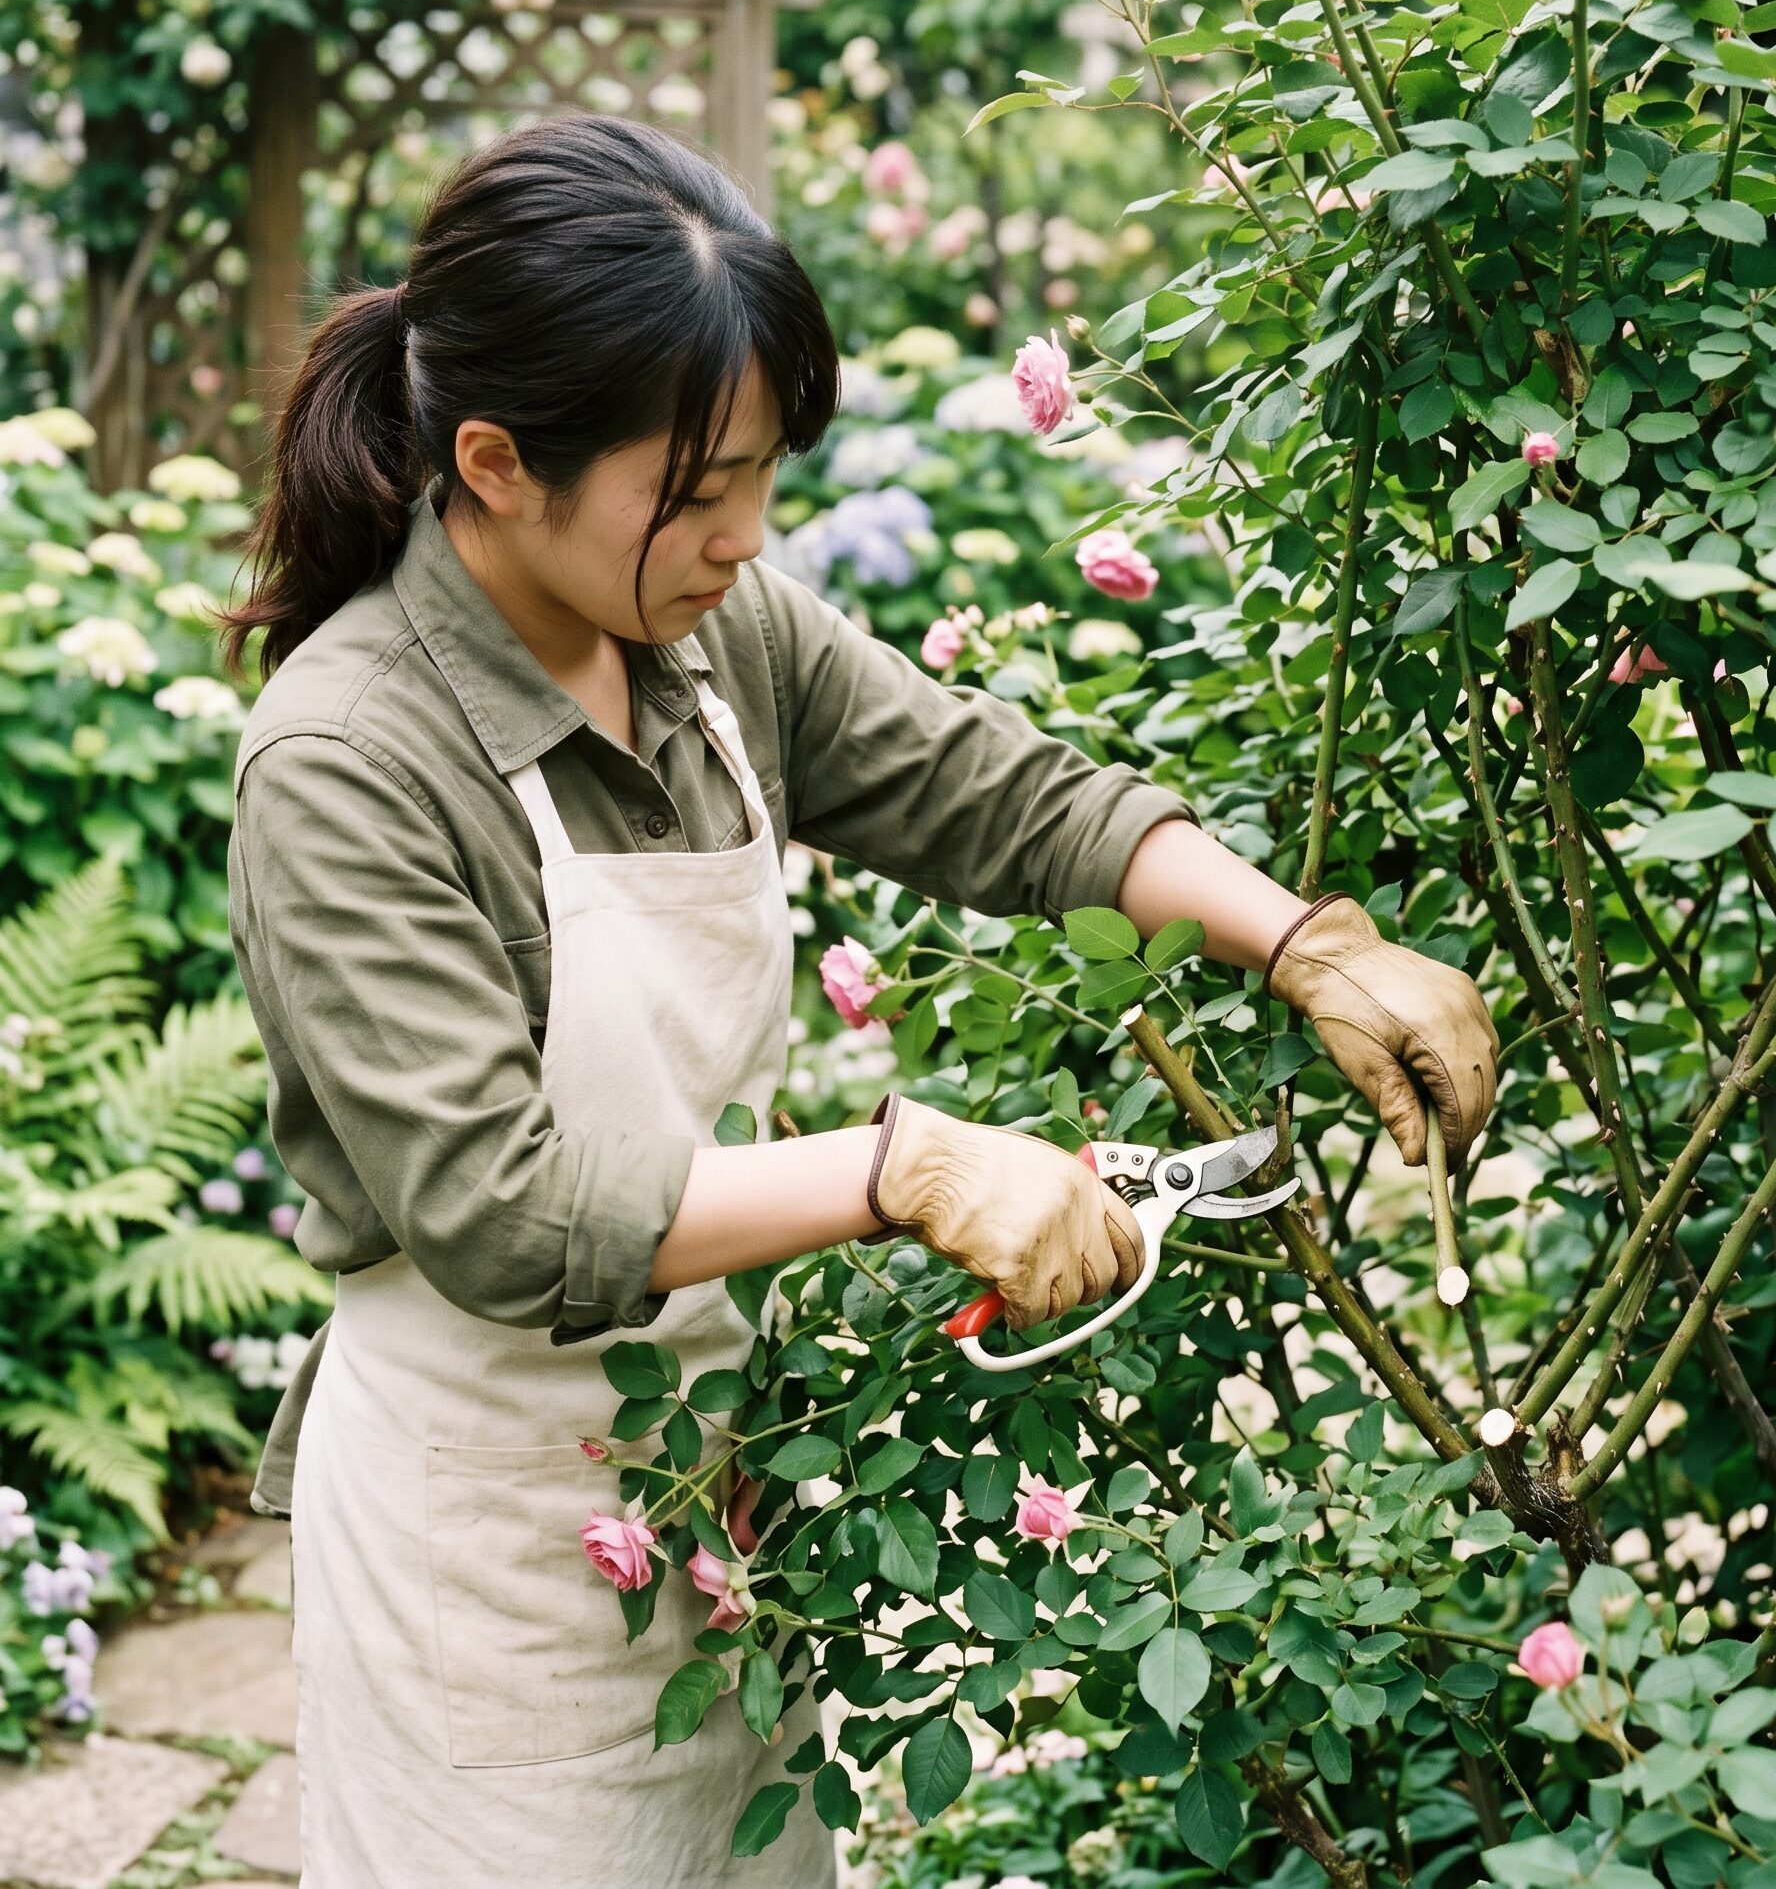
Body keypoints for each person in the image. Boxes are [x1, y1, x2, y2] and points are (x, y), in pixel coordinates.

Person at [221, 112, 1498, 1889]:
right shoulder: (352, 761)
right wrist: (903, 1170)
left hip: (719, 1484)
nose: (748, 534)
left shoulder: (712, 638)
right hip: (481, 1541)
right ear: (501, 465)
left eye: (763, 472)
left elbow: (1004, 796)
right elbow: (502, 1217)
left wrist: (1307, 945)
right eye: (700, 483)